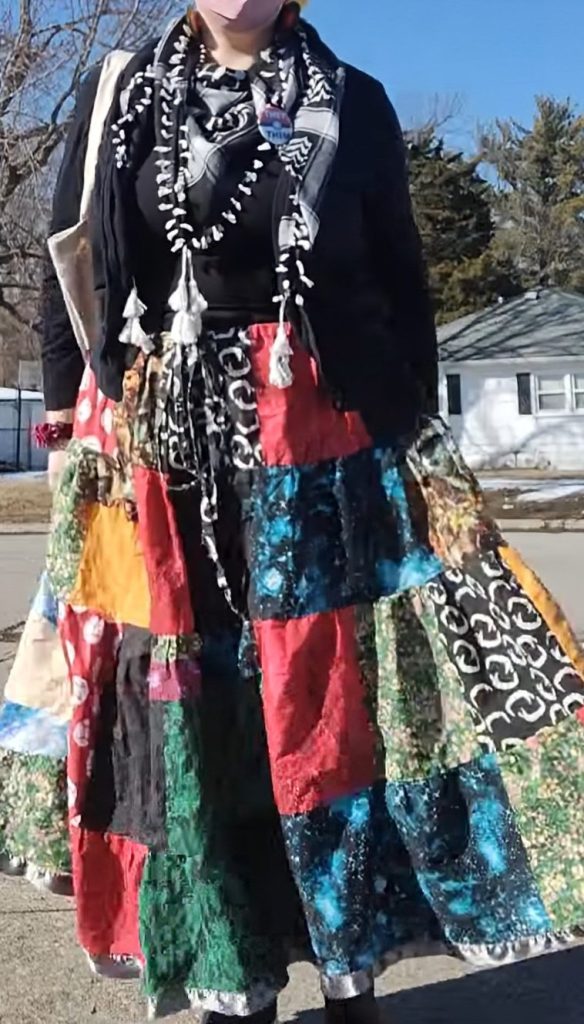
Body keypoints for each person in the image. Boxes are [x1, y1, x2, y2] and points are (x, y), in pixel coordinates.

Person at [1, 1, 584, 1020]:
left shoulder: (351, 101)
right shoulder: (120, 92)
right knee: (195, 704)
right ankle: (232, 973)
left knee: (331, 705)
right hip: (163, 456)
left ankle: (348, 963)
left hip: (325, 452)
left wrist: (419, 439)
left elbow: (400, 282)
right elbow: (73, 269)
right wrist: (62, 424)